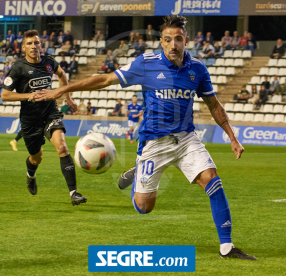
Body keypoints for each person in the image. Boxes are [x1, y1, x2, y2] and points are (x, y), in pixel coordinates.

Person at [34, 15, 256, 260]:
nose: (174, 45)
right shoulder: (146, 63)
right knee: (144, 208)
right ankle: (139, 170)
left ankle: (227, 247)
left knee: (213, 181)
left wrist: (232, 137)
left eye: (179, 39)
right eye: (168, 40)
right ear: (161, 42)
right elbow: (106, 80)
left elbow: (214, 105)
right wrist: (64, 89)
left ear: (186, 41)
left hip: (185, 139)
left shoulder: (198, 70)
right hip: (154, 143)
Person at [0, 30, 86, 206]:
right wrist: (28, 96)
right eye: (30, 43)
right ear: (23, 47)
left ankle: (74, 193)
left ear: (41, 44)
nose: (34, 46)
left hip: (50, 113)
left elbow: (62, 75)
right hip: (30, 120)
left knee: (62, 147)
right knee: (36, 157)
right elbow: (5, 95)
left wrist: (67, 97)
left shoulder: (49, 62)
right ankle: (31, 174)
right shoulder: (18, 68)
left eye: (36, 42)